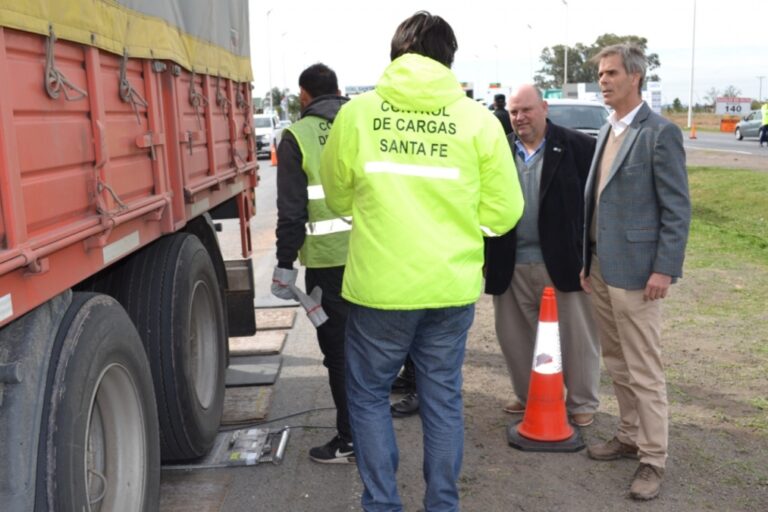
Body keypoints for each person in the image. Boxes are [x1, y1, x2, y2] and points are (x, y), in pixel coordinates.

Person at [319, 11, 524, 511]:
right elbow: (505, 212)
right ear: (450, 59)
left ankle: (383, 504)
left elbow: (338, 198)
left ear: (395, 56)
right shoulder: (477, 120)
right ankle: (442, 505)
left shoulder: (358, 115)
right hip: (449, 289)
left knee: (367, 396)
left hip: (379, 291)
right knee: (443, 399)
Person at [580, 44, 691, 501]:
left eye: (610, 74)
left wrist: (664, 269)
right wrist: (587, 263)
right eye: (600, 74)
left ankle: (653, 459)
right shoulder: (609, 128)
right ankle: (629, 435)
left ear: (635, 77)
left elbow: (677, 208)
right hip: (602, 270)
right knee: (617, 362)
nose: (603, 81)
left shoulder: (659, 133)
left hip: (640, 274)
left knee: (645, 369)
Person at [484, 84, 600, 427]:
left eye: (526, 110)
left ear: (544, 107)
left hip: (564, 263)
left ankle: (582, 403)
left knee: (577, 338)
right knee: (515, 338)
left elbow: (594, 206)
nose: (519, 117)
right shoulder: (497, 151)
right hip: (510, 261)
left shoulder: (580, 147)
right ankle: (528, 396)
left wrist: (590, 256)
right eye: (514, 112)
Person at [270, 63, 354, 464]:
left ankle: (350, 439)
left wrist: (285, 263)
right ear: (337, 90)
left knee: (339, 353)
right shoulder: (362, 124)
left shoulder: (296, 136)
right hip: (375, 255)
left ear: (304, 96)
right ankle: (368, 434)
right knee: (373, 349)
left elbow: (291, 211)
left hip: (328, 263)